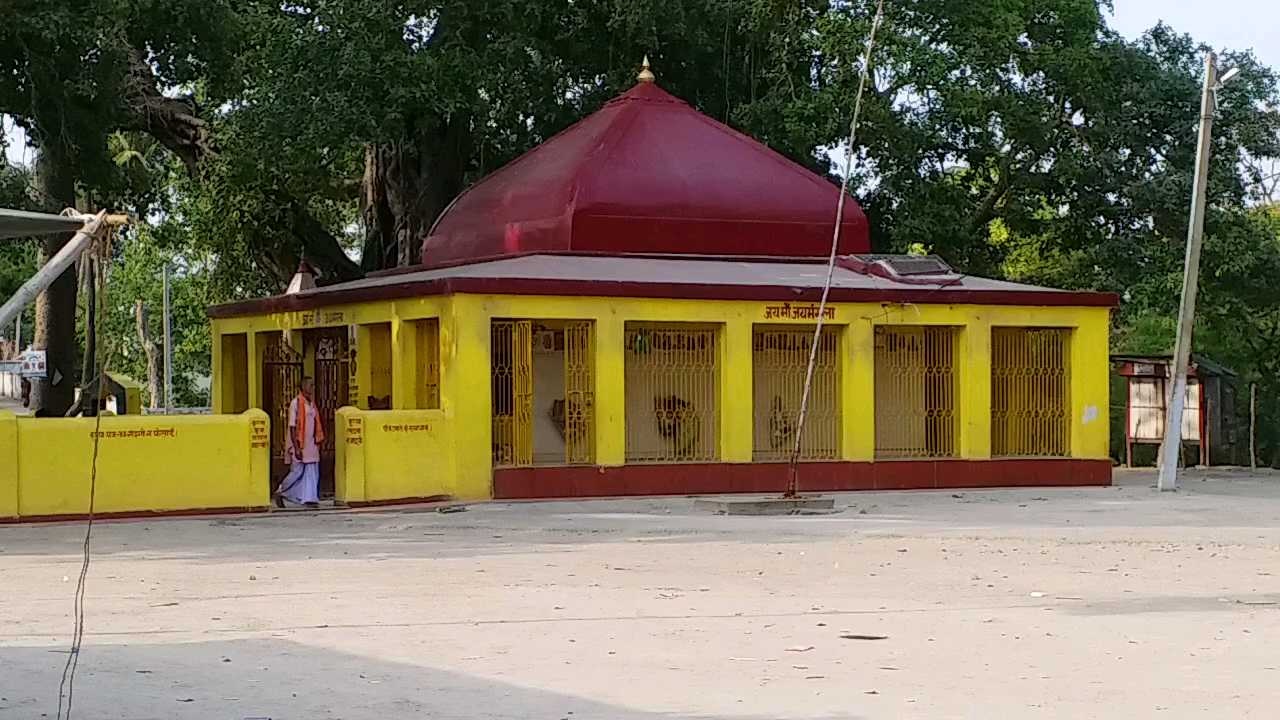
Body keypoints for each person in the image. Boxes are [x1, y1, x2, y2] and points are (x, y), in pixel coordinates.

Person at [275, 376, 324, 509]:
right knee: (297, 471)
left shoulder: (312, 404)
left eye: (313, 385)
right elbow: (292, 426)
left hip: (311, 443)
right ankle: (281, 491)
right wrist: (296, 447)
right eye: (310, 385)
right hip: (299, 443)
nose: (312, 388)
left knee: (312, 470)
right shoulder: (295, 403)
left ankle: (310, 499)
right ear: (303, 387)